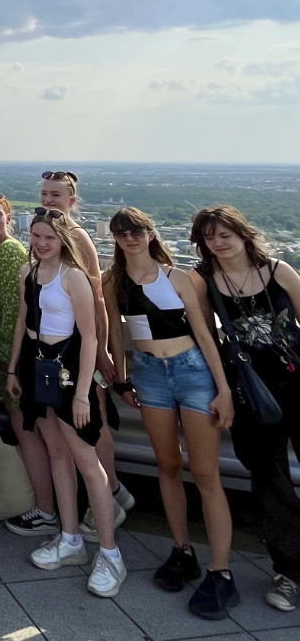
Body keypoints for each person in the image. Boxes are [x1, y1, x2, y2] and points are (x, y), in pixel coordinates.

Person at [104, 207, 237, 619]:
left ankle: (221, 571)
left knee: (205, 473)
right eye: (122, 232)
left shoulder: (178, 277)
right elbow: (116, 333)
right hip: (150, 376)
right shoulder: (113, 281)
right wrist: (122, 381)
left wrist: (224, 390)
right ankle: (182, 550)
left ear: (150, 233)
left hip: (192, 371)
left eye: (137, 230)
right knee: (166, 465)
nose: (130, 237)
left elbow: (203, 333)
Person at [7, 207, 126, 598]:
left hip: (68, 371)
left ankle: (109, 553)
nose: (41, 244)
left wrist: (81, 394)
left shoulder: (74, 277)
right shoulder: (29, 273)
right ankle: (70, 537)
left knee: (87, 462)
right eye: (36, 236)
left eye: (49, 238)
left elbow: (90, 338)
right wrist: (12, 371)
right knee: (57, 453)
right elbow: (23, 324)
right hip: (36, 369)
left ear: (63, 240)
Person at [190, 205, 300, 613]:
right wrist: (222, 390)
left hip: (296, 382)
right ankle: (289, 572)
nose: (218, 243)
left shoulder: (278, 271)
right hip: (251, 392)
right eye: (209, 237)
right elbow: (206, 339)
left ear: (242, 233)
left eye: (224, 234)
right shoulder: (205, 280)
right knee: (270, 482)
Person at [39, 170, 135, 539]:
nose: (49, 200)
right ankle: (111, 495)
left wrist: (104, 355)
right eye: (45, 193)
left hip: (83, 349)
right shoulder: (50, 233)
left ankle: (109, 496)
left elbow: (99, 300)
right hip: (62, 351)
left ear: (72, 201)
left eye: (56, 195)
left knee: (93, 426)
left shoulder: (77, 236)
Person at [0, 193, 58, 536]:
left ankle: (44, 509)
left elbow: (14, 314)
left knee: (29, 433)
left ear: (9, 216)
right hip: (10, 358)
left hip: (16, 360)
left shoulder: (9, 251)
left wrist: (9, 365)